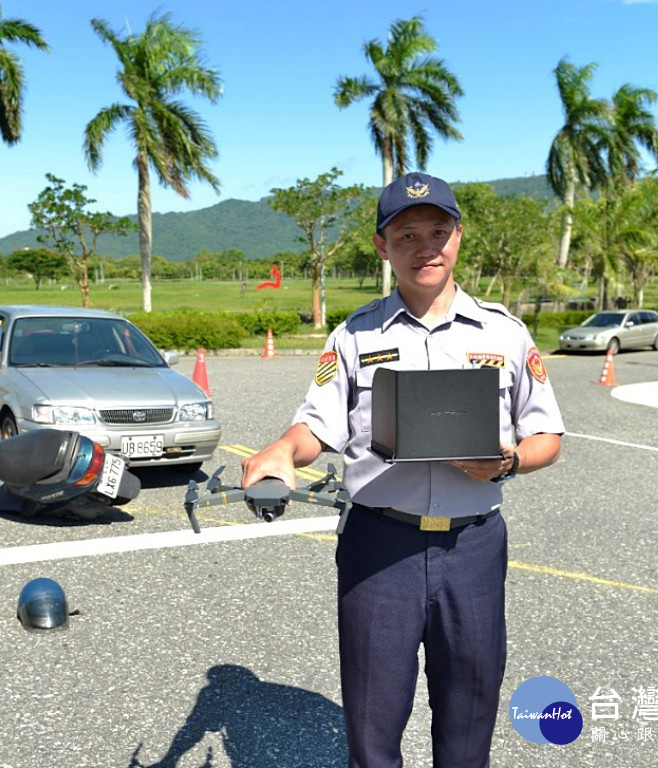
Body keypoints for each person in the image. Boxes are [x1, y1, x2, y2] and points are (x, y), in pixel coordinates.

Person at [240, 171, 564, 768]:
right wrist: (282, 450)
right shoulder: (354, 337)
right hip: (378, 547)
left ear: (459, 237)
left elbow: (546, 435)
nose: (427, 246)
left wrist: (509, 460)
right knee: (372, 722)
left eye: (439, 231)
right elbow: (316, 425)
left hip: (473, 547)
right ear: (382, 246)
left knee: (469, 716)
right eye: (408, 234)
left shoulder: (506, 333)